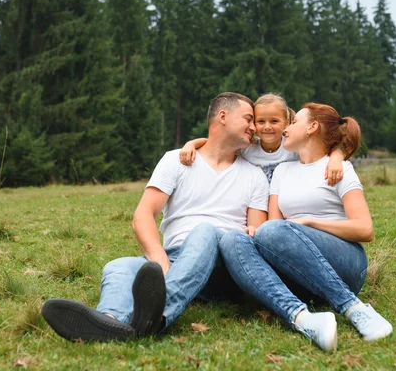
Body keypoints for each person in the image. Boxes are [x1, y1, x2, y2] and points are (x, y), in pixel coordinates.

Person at [42, 92, 270, 342]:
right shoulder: (176, 161)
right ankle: (110, 321)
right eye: (248, 119)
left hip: (222, 265)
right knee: (118, 266)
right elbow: (143, 215)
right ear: (223, 116)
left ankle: (155, 318)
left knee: (204, 231)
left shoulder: (254, 175)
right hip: (175, 257)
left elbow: (253, 234)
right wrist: (162, 263)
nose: (253, 127)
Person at [218, 103, 393, 352]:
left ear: (312, 127)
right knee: (233, 240)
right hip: (298, 272)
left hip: (344, 263)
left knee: (273, 230)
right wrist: (252, 233)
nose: (286, 129)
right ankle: (303, 318)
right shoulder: (282, 171)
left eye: (294, 122)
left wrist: (310, 222)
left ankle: (353, 307)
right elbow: (272, 228)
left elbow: (365, 230)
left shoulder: (339, 168)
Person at [179, 93, 345, 184]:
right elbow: (216, 144)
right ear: (254, 124)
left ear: (286, 122)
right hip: (256, 205)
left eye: (274, 121)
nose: (267, 127)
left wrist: (336, 159)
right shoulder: (248, 148)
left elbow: (327, 150)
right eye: (260, 121)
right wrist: (190, 144)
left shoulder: (291, 147)